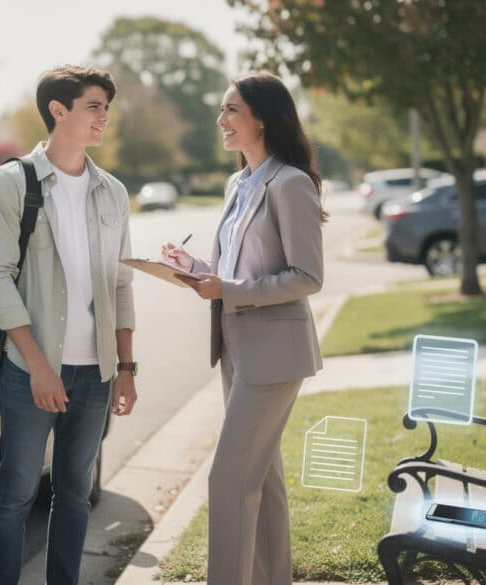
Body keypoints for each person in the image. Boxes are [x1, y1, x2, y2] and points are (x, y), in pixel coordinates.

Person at [161, 72, 327, 585]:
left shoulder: (291, 182)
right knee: (263, 479)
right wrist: (196, 266)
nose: (222, 120)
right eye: (223, 110)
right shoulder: (239, 183)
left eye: (232, 110)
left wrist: (227, 290)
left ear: (263, 117)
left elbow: (307, 277)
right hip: (235, 348)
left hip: (274, 354)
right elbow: (239, 266)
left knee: (229, 479)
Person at [0, 65, 138, 585]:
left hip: (96, 375)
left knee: (74, 494)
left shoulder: (112, 192)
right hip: (30, 371)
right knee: (15, 496)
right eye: (94, 107)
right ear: (58, 110)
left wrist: (127, 367)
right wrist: (40, 365)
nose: (104, 118)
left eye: (107, 109)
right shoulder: (11, 183)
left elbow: (120, 284)